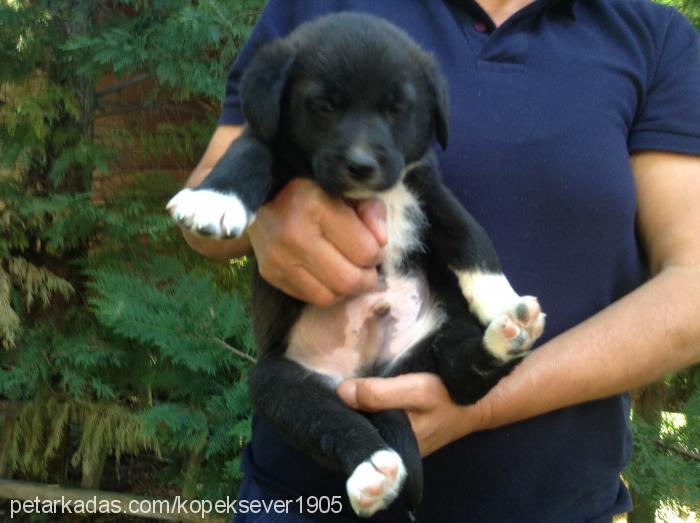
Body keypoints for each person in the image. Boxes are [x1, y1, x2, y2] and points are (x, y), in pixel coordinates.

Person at [180, 0, 700, 521]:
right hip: (303, 499)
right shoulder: (320, 6)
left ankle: (463, 376)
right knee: (276, 384)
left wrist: (485, 404)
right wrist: (266, 211)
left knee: (458, 334)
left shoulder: (653, 39)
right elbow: (210, 201)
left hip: (553, 504)